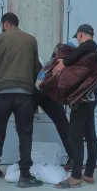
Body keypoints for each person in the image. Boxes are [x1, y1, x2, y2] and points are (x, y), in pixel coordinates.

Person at [0, 12, 43, 188]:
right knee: (25, 133)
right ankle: (25, 175)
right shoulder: (31, 40)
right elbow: (37, 69)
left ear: (5, 24)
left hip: (2, 93)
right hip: (24, 94)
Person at [53, 24, 97, 190]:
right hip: (91, 96)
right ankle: (88, 174)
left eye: (78, 37)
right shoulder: (92, 51)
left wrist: (63, 63)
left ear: (81, 34)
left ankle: (75, 177)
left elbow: (78, 53)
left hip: (83, 98)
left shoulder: (89, 45)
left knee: (75, 135)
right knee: (89, 134)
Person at [35, 42, 74, 171]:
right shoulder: (54, 64)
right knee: (62, 123)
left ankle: (25, 159)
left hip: (37, 93)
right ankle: (73, 156)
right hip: (47, 94)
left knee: (25, 127)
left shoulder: (47, 63)